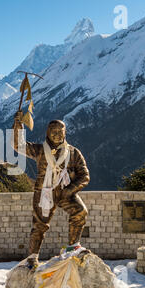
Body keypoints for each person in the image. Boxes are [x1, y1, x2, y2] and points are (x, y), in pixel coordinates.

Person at [12, 110, 90, 268]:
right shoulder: (39, 150)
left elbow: (85, 176)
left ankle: (73, 247)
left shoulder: (74, 153)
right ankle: (33, 257)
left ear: (65, 133)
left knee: (80, 211)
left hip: (65, 190)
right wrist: (18, 125)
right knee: (40, 224)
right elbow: (18, 146)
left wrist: (71, 190)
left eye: (60, 132)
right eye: (53, 132)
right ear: (48, 133)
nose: (56, 135)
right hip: (44, 191)